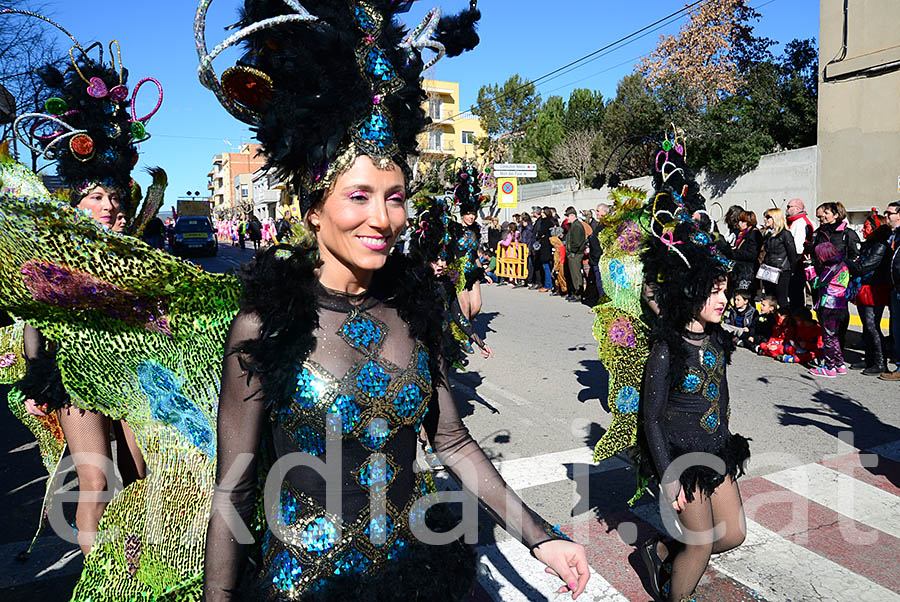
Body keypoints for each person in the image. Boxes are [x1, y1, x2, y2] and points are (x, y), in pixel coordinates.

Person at [200, 2, 590, 599]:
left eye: (395, 196)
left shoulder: (415, 306)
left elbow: (454, 442)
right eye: (359, 196)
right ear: (314, 208)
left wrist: (543, 537)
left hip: (415, 579)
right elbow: (234, 488)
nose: (381, 219)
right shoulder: (266, 325)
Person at [10, 34, 160, 557]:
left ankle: (138, 560)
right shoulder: (53, 250)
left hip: (128, 369)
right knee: (97, 478)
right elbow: (32, 316)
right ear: (76, 202)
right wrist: (37, 371)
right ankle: (100, 568)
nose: (110, 206)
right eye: (97, 196)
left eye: (115, 196)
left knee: (141, 473)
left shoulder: (136, 250)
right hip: (72, 375)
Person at [639, 223, 749, 602]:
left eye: (725, 290)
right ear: (690, 294)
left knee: (733, 534)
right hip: (682, 460)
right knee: (700, 544)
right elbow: (650, 418)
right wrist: (668, 476)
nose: (724, 299)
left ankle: (663, 551)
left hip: (716, 451)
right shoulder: (667, 349)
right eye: (714, 292)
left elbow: (720, 393)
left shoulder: (717, 338)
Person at [847, 210, 893, 374]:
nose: (863, 230)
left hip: (875, 290)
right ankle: (869, 360)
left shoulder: (880, 246)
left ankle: (881, 363)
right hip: (865, 288)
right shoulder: (869, 244)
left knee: (872, 326)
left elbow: (864, 267)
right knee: (867, 326)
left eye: (866, 227)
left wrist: (846, 262)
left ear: (875, 228)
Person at [808, 242, 850, 377]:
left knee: (828, 337)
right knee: (834, 336)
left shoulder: (830, 269)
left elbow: (816, 283)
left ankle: (829, 367)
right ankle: (840, 364)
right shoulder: (843, 265)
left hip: (829, 306)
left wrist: (809, 268)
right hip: (841, 304)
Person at [758, 208, 797, 309]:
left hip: (782, 270)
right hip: (768, 269)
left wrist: (792, 269)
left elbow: (792, 253)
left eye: (768, 217)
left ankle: (785, 320)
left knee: (781, 298)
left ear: (775, 218)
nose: (765, 219)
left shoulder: (785, 234)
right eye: (765, 216)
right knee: (769, 298)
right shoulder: (768, 234)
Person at [881, 201, 900, 380]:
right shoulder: (893, 235)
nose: (886, 217)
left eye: (889, 213)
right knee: (896, 328)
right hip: (894, 287)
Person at [785, 198, 814, 309]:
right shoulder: (799, 221)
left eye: (789, 207)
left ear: (797, 208)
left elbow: (797, 248)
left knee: (796, 294)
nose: (786, 209)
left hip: (798, 264)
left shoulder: (800, 223)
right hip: (800, 263)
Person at [730, 211, 762, 294]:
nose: (739, 223)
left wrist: (735, 252)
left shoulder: (754, 233)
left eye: (742, 221)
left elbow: (753, 254)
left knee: (746, 296)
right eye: (739, 221)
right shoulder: (740, 234)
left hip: (749, 271)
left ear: (748, 222)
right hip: (740, 269)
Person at [563, 206, 586, 302]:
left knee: (576, 275)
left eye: (568, 216)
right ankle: (575, 293)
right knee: (573, 274)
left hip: (576, 254)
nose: (567, 218)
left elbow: (577, 242)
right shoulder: (574, 225)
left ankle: (578, 294)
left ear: (573, 215)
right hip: (574, 253)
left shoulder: (576, 226)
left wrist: (572, 251)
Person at [535, 206, 554, 292]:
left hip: (545, 246)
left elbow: (541, 232)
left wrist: (540, 235)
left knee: (546, 266)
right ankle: (549, 285)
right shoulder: (551, 221)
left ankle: (548, 285)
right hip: (548, 246)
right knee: (548, 266)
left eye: (543, 212)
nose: (541, 214)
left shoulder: (546, 222)